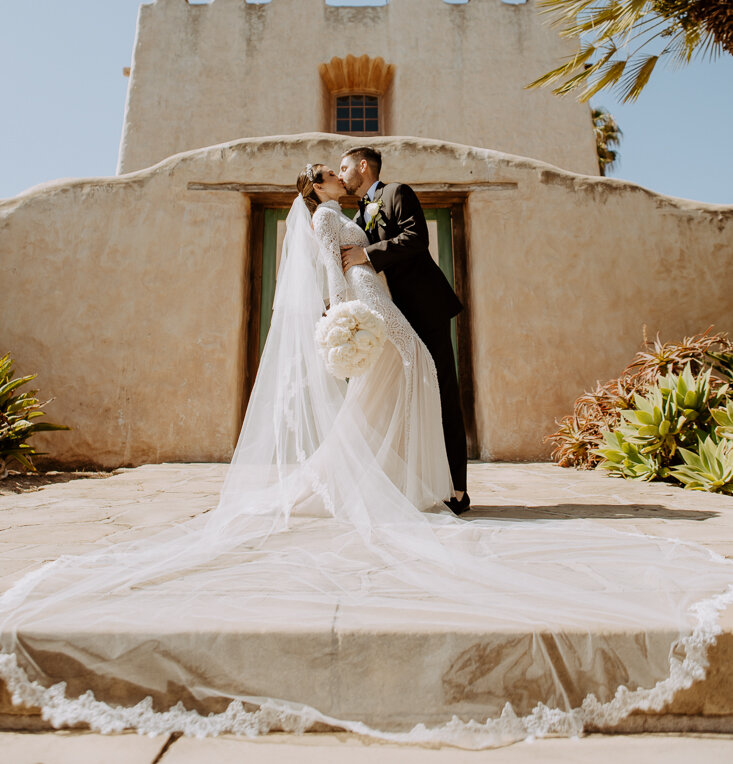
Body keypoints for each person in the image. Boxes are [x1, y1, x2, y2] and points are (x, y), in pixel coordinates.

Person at [1, 164, 732, 750]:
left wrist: (363, 265)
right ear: (315, 189)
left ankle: (402, 478)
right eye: (324, 174)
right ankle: (390, 479)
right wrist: (343, 306)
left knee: (407, 381)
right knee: (402, 378)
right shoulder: (323, 215)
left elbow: (389, 243)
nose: (335, 176)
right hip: (362, 300)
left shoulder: (378, 201)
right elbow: (328, 263)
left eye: (342, 169)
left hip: (375, 293)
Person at [337, 147, 469, 512]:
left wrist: (368, 254)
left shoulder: (396, 193)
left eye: (344, 167)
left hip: (425, 308)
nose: (341, 173)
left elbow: (416, 238)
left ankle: (457, 490)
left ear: (363, 166)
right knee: (409, 397)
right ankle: (420, 484)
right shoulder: (359, 212)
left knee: (441, 393)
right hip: (394, 317)